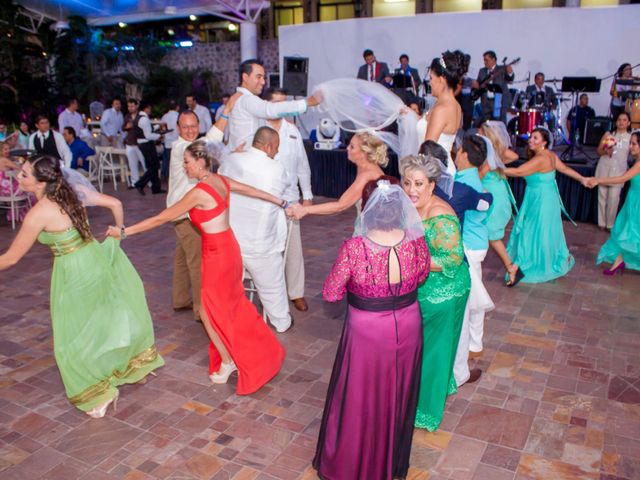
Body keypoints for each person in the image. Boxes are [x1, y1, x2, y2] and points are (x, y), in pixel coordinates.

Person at [107, 140, 286, 394]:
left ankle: (228, 361)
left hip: (217, 254)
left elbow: (162, 217)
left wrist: (124, 232)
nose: (184, 167)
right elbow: (252, 190)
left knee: (207, 310)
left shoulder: (199, 192)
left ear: (201, 161)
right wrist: (281, 201)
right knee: (231, 305)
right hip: (229, 248)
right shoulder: (220, 180)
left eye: (187, 162)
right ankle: (255, 352)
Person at [0, 155, 164, 417]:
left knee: (71, 339)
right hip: (94, 259)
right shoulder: (73, 192)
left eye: (24, 175)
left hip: (74, 272)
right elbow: (116, 202)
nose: (19, 178)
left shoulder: (39, 212)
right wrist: (119, 229)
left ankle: (97, 394)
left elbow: (11, 258)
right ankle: (124, 367)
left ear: (41, 181)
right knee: (101, 321)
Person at [314, 179, 430, 480]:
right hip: (408, 323)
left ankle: (354, 464)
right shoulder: (416, 242)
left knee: (360, 395)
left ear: (368, 210)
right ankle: (388, 461)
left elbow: (331, 293)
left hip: (367, 330)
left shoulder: (354, 248)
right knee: (397, 390)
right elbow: (422, 276)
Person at [400, 154, 471, 432]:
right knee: (421, 346)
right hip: (422, 285)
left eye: (419, 183)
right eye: (407, 183)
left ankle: (426, 411)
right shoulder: (411, 206)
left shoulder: (440, 214)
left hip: (446, 290)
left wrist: (410, 260)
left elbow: (453, 259)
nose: (412, 189)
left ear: (432, 185)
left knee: (433, 350)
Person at [166, 97, 238, 323]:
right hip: (186, 215)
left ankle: (180, 299)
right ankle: (202, 310)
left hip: (179, 213)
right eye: (185, 127)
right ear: (178, 128)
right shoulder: (181, 148)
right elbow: (209, 144)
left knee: (182, 257)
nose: (189, 130)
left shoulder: (188, 147)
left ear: (198, 126)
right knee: (197, 262)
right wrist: (226, 112)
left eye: (193, 126)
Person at [219, 126, 293, 333]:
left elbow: (221, 177)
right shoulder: (276, 169)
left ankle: (229, 320)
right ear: (269, 146)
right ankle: (281, 322)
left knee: (228, 286)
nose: (277, 152)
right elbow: (284, 191)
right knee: (272, 286)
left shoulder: (232, 160)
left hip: (231, 240)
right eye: (276, 147)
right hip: (260, 243)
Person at [503, 127, 587, 283]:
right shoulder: (550, 155)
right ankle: (543, 260)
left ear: (544, 142)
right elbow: (565, 169)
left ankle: (533, 264)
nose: (530, 140)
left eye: (535, 138)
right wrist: (582, 179)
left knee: (533, 231)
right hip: (545, 199)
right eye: (530, 137)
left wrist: (495, 169)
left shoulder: (541, 158)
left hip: (541, 201)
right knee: (543, 231)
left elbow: (519, 172)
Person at [266, 88, 313, 312]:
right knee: (269, 249)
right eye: (277, 103)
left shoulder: (292, 131)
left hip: (291, 200)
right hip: (265, 200)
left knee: (293, 249)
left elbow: (303, 166)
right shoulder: (257, 130)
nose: (282, 107)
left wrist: (308, 196)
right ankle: (271, 293)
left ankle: (296, 292)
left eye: (285, 103)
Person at [452, 135, 494, 376]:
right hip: (476, 242)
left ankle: (474, 344)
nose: (456, 154)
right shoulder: (473, 181)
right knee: (473, 295)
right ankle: (475, 342)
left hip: (469, 245)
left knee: (472, 299)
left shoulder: (465, 184)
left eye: (458, 151)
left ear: (465, 155)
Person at [289, 132, 386, 220]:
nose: (347, 148)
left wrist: (305, 210)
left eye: (352, 147)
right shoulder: (366, 168)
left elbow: (340, 205)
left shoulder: (367, 175)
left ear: (364, 153)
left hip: (373, 231)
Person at [228, 59, 320, 150]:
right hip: (246, 160)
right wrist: (307, 102)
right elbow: (271, 110)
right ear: (245, 77)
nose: (263, 82)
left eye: (263, 78)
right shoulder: (246, 99)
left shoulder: (239, 98)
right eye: (258, 77)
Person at [590, 130, 640, 275]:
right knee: (625, 232)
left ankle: (619, 260)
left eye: (634, 144)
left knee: (631, 233)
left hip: (637, 203)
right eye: (630, 143)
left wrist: (598, 180)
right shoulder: (637, 161)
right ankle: (619, 260)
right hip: (633, 200)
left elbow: (621, 179)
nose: (631, 147)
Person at [478, 121, 520, 285]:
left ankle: (511, 267)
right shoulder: (492, 154)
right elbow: (513, 156)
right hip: (497, 195)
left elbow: (478, 178)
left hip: (494, 198)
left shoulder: (488, 159)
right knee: (487, 234)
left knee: (492, 236)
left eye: (480, 133)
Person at [416, 50, 470, 177]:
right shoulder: (454, 105)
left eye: (431, 78)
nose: (429, 82)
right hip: (442, 168)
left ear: (441, 80)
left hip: (436, 172)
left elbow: (427, 150)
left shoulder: (442, 109)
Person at [595, 112, 631, 231]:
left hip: (619, 172)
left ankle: (610, 225)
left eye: (624, 120)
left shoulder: (630, 138)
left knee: (613, 199)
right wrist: (606, 152)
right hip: (604, 168)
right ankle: (601, 223)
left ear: (628, 123)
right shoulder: (608, 135)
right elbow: (598, 151)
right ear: (616, 122)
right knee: (602, 198)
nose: (621, 122)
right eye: (619, 120)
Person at [474, 51, 515, 123]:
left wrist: (510, 72)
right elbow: (479, 84)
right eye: (484, 60)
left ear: (493, 60)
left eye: (486, 60)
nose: (485, 62)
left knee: (499, 124)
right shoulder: (482, 71)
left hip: (499, 102)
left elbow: (510, 78)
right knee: (487, 124)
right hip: (486, 102)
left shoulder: (502, 69)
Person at [133, 100, 164, 195]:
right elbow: (148, 135)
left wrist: (157, 126)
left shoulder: (140, 118)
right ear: (146, 108)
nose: (150, 110)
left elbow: (147, 130)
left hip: (143, 144)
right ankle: (140, 184)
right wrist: (159, 136)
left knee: (152, 166)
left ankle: (156, 188)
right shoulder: (144, 119)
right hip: (147, 144)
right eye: (150, 108)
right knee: (154, 166)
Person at [0, 142, 34, 222]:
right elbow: (20, 168)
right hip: (7, 190)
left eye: (9, 149)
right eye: (5, 149)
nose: (8, 151)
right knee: (31, 190)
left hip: (2, 189)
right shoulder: (4, 160)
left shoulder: (4, 159)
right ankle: (29, 215)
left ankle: (13, 215)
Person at [123, 99, 146, 187]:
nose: (130, 108)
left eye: (132, 106)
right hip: (130, 143)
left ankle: (149, 182)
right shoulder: (127, 116)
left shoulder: (141, 116)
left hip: (140, 143)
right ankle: (135, 182)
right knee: (132, 164)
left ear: (136, 106)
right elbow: (123, 127)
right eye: (129, 106)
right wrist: (126, 126)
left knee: (144, 163)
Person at [160, 100, 180, 179]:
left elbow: (162, 129)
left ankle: (167, 176)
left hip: (167, 142)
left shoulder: (164, 116)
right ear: (177, 107)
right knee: (176, 162)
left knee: (168, 161)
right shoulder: (179, 116)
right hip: (177, 141)